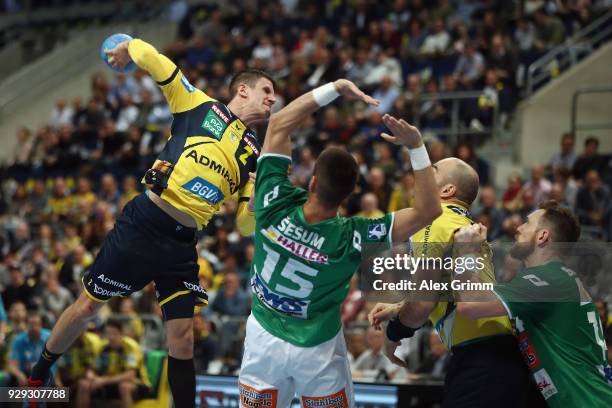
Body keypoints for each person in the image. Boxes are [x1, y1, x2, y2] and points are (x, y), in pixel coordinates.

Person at [28, 36, 277, 408]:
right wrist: (128, 46)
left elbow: (243, 226)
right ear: (243, 89)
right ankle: (38, 374)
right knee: (87, 307)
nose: (273, 99)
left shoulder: (255, 153)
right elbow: (156, 61)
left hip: (182, 243)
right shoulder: (199, 104)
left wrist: (256, 202)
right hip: (145, 224)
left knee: (183, 337)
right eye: (267, 91)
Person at [239, 78, 441, 406]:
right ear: (349, 196)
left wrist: (334, 88)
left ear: (313, 180)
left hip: (263, 339)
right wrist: (416, 146)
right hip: (317, 352)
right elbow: (429, 209)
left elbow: (278, 123)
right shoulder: (354, 236)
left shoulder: (272, 196)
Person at [368, 157, 538, 408]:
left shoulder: (435, 220)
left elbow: (422, 304)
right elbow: (447, 292)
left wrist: (392, 337)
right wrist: (397, 307)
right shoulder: (462, 223)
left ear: (447, 190)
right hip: (502, 358)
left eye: (432, 171)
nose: (421, 174)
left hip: (481, 360)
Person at [454, 201, 612, 407]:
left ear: (542, 236)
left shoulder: (546, 280)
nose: (518, 228)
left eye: (527, 223)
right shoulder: (555, 278)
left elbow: (469, 305)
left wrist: (466, 252)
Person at [75, 320, 150, 408]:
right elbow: (93, 368)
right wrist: (92, 375)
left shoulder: (130, 347)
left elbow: (130, 375)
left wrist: (103, 380)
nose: (111, 337)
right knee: (83, 384)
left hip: (136, 384)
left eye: (114, 334)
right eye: (108, 333)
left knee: (124, 387)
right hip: (109, 384)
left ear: (122, 334)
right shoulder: (102, 347)